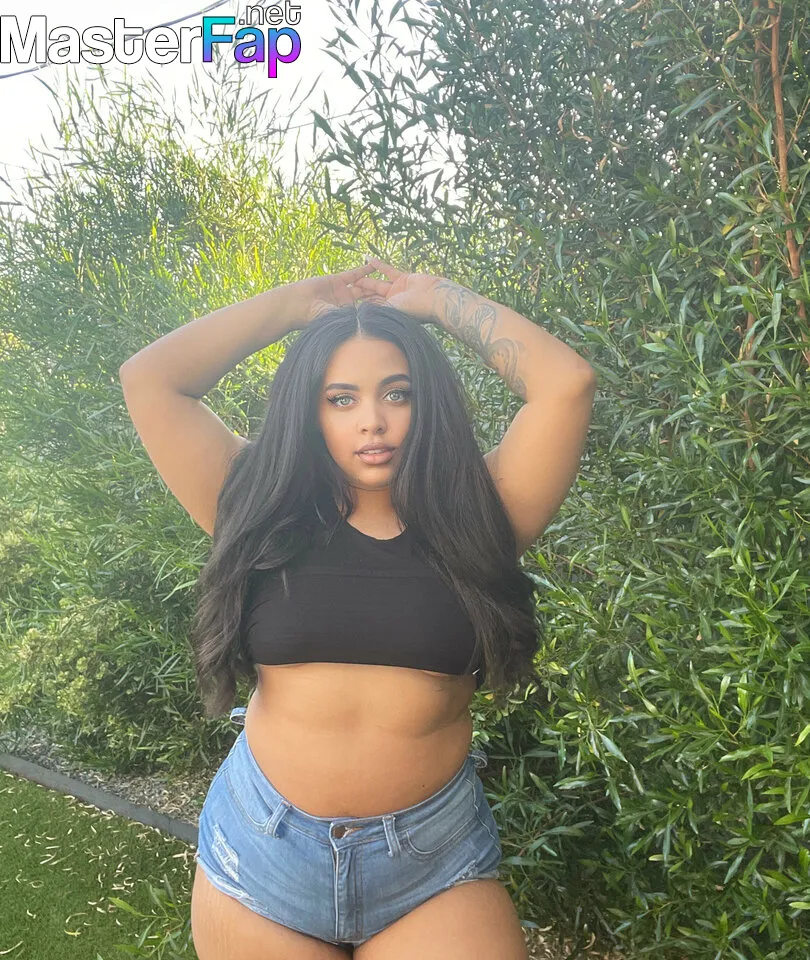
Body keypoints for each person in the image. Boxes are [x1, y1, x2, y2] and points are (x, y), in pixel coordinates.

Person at [118, 256, 597, 959]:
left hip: (431, 866)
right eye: (340, 399)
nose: (373, 421)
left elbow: (565, 383)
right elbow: (150, 378)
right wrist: (298, 303)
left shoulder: (481, 513)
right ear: (308, 410)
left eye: (397, 394)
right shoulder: (255, 505)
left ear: (427, 402)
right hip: (265, 852)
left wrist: (433, 298)